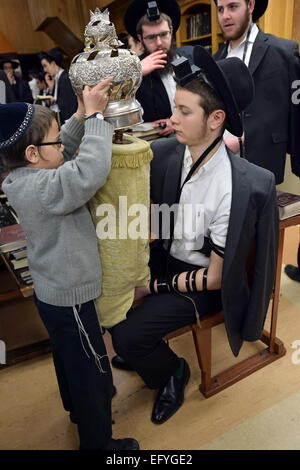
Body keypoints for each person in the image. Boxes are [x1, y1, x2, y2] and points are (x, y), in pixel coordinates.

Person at [110, 46, 279, 424]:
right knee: (107, 298)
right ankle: (144, 348)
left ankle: (172, 371)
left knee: (125, 336)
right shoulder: (172, 151)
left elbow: (216, 277)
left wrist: (149, 289)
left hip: (203, 286)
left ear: (216, 119)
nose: (172, 120)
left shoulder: (233, 186)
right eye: (175, 107)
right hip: (170, 257)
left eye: (184, 112)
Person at [0, 79, 139, 451]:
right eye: (54, 141)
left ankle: (77, 409)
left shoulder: (23, 178)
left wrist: (79, 116)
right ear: (32, 153)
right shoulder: (46, 187)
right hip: (72, 299)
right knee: (91, 369)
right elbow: (88, 171)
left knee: (68, 359)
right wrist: (95, 117)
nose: (62, 144)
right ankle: (99, 443)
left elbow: (62, 146)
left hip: (52, 294)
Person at [213, 0, 300, 184]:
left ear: (250, 5)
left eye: (233, 6)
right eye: (220, 9)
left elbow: (297, 113)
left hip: (267, 164)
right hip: (222, 169)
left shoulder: (284, 52)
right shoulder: (214, 60)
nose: (225, 15)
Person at [124, 0, 193, 136]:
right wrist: (137, 72)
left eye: (163, 34)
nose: (159, 43)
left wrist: (178, 121)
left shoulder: (191, 56)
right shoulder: (133, 69)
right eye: (151, 37)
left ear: (171, 31)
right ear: (140, 38)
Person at [39, 48, 77, 126]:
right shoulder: (57, 79)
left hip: (68, 123)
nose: (44, 70)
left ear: (53, 63)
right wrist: (51, 88)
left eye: (45, 66)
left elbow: (70, 105)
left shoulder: (65, 78)